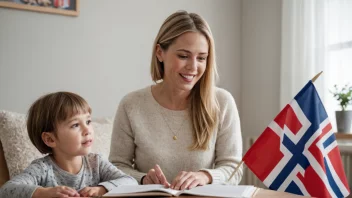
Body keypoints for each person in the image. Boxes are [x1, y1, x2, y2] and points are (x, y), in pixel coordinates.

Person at [109, 10, 243, 190]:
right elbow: (116, 166)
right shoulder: (132, 104)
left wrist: (205, 176)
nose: (193, 67)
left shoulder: (222, 102)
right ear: (159, 53)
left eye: (201, 58)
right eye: (183, 56)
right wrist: (142, 179)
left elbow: (233, 168)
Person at [0, 92, 138, 198]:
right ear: (50, 139)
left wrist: (101, 189)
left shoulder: (96, 162)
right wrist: (43, 192)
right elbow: (6, 190)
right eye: (75, 125)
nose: (87, 130)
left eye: (88, 122)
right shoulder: (42, 169)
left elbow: (130, 181)